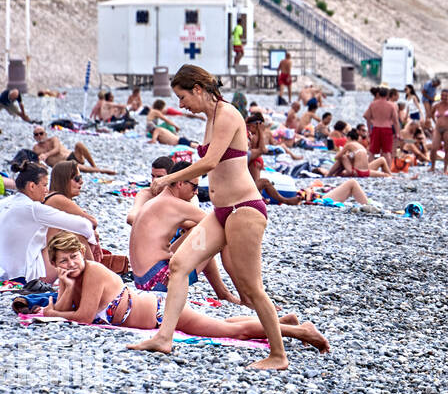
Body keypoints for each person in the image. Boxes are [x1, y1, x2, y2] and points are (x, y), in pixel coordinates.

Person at [127, 65, 289, 370]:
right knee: (179, 264)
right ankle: (164, 338)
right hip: (221, 212)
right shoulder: (210, 117)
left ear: (199, 89)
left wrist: (165, 180)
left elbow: (210, 161)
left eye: (183, 96)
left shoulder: (227, 114)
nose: (181, 104)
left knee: (251, 287)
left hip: (244, 210)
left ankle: (278, 355)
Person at [43, 233, 327, 349]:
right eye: (63, 261)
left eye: (74, 257)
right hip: (155, 310)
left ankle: (301, 332)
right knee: (222, 324)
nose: (71, 264)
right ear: (54, 264)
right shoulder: (73, 279)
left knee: (230, 332)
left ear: (83, 254)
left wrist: (55, 307)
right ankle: (283, 322)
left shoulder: (92, 272)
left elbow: (80, 316)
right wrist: (65, 286)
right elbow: (64, 309)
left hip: (161, 313)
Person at [129, 167, 241, 304]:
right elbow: (218, 224)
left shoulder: (154, 202)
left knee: (200, 233)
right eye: (194, 187)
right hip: (158, 283)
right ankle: (246, 295)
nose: (197, 192)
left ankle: (223, 293)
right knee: (216, 233)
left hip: (142, 283)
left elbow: (194, 226)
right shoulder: (176, 205)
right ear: (180, 183)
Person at [0, 162, 97, 283]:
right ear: (31, 186)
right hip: (25, 278)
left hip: (4, 274)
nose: (46, 190)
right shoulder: (33, 208)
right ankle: (94, 277)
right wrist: (93, 242)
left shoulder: (5, 202)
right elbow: (84, 225)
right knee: (75, 234)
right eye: (44, 185)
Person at [32, 125, 115, 174]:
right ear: (34, 137)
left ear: (45, 134)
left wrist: (46, 154)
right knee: (74, 165)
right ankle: (101, 171)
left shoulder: (53, 139)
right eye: (36, 134)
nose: (39, 136)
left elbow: (57, 149)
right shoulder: (36, 148)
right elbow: (35, 161)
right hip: (63, 164)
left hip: (72, 156)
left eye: (41, 133)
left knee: (79, 144)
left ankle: (94, 166)